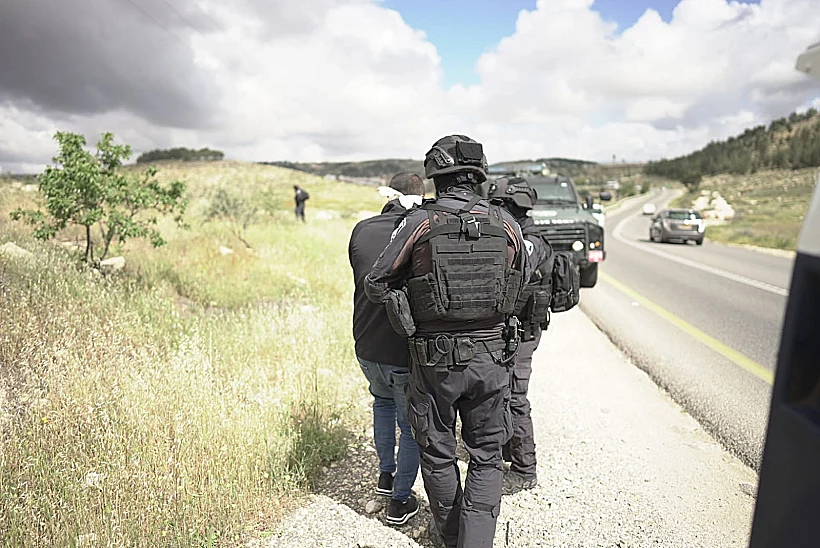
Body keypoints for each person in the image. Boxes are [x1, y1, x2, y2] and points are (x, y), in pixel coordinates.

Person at [364, 135, 528, 548]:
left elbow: (377, 282)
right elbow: (524, 278)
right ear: (478, 175)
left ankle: (452, 538)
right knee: (487, 456)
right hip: (492, 359)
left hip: (435, 361)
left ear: (436, 175)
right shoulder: (506, 224)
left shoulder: (420, 222)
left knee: (438, 454)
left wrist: (410, 315)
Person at [348, 172, 425, 526]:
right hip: (400, 348)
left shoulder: (362, 229)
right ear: (419, 198)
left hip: (365, 343)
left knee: (380, 403)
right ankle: (400, 500)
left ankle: (385, 476)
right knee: (409, 426)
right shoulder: (419, 231)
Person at [486, 177, 552, 495]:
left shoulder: (530, 241)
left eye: (500, 206)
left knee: (514, 397)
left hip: (523, 330)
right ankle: (508, 450)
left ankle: (525, 468)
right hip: (509, 328)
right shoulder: (517, 233)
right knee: (501, 393)